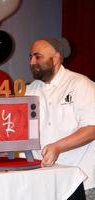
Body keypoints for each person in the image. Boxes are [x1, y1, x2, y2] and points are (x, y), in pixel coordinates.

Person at [26, 37, 95, 200]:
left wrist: (58, 147)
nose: (31, 62)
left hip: (81, 182)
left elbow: (92, 128)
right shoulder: (29, 90)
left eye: (38, 56)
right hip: (43, 183)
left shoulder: (80, 84)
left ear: (56, 58)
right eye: (30, 57)